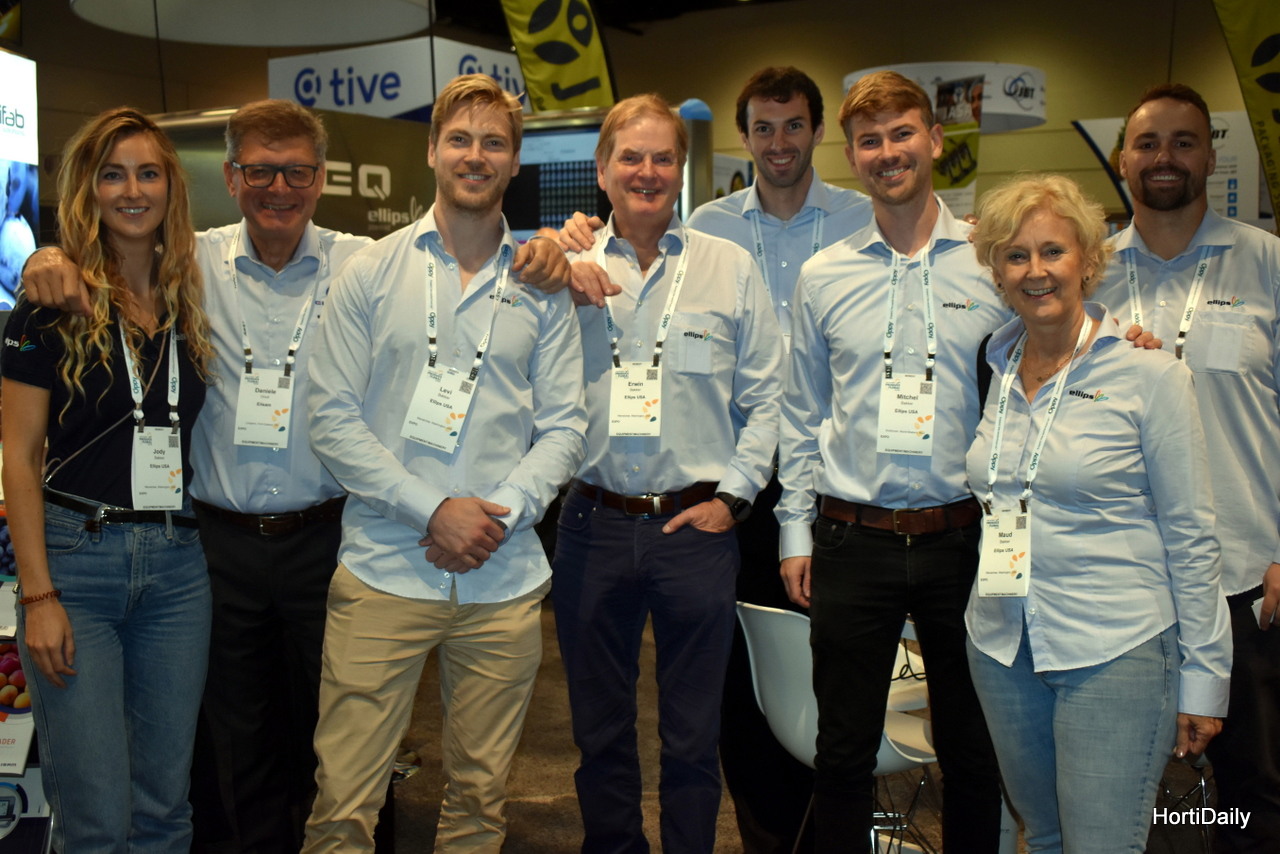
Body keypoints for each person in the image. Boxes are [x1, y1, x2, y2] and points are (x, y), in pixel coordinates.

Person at [20, 98, 572, 852]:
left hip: (326, 537)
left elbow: (482, 265)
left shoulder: (365, 262)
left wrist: (556, 250)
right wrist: (46, 257)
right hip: (215, 547)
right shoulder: (190, 263)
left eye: (297, 173)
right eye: (259, 172)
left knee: (344, 754)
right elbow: (109, 255)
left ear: (321, 179)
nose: (278, 189)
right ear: (231, 177)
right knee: (233, 744)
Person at [301, 73, 587, 851]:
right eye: (459, 139)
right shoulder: (371, 272)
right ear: (431, 151)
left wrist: (495, 518)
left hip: (501, 578)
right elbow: (331, 419)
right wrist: (435, 511)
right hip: (384, 570)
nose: (475, 155)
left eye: (493, 142)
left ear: (515, 162)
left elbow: (565, 426)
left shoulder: (541, 284)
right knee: (342, 807)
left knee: (480, 806)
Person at [966, 172, 1232, 852]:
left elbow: (1192, 536)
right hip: (1002, 643)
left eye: (1052, 251)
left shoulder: (1150, 375)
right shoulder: (996, 364)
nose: (1035, 271)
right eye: (1015, 255)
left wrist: (1205, 679)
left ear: (1087, 259)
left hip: (1115, 648)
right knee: (1044, 837)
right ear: (996, 270)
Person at [776, 70, 1004, 851]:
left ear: (934, 140)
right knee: (842, 754)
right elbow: (801, 414)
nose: (887, 152)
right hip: (852, 539)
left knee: (972, 748)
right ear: (851, 156)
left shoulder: (991, 262)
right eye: (869, 141)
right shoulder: (823, 275)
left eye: (902, 133)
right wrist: (794, 533)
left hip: (963, 539)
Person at [553, 93, 782, 854]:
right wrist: (552, 261)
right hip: (592, 524)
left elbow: (768, 396)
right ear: (602, 170)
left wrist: (734, 499)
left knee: (693, 734)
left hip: (695, 531)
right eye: (631, 157)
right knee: (599, 730)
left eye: (662, 158)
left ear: (680, 170)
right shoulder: (566, 266)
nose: (646, 172)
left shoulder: (728, 267)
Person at [1, 107, 214, 850]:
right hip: (76, 566)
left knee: (166, 811)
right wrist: (38, 597)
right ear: (88, 188)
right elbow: (19, 457)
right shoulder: (49, 304)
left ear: (170, 187)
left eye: (148, 173)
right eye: (113, 174)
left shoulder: (193, 297)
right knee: (96, 821)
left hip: (178, 571)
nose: (132, 190)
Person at [684, 66, 871, 854]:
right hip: (742, 484)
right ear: (745, 136)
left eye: (794, 125)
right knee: (747, 680)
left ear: (818, 130)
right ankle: (767, 838)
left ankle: (830, 838)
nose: (779, 142)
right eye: (764, 127)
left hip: (843, 483)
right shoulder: (708, 228)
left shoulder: (864, 218)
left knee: (843, 677)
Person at [1094, 83, 1280, 852]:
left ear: (1210, 157)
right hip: (1124, 579)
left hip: (1245, 577)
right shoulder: (1088, 277)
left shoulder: (1268, 263)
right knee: (1117, 792)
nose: (1164, 157)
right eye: (1147, 143)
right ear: (1122, 160)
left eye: (1183, 141)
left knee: (1257, 794)